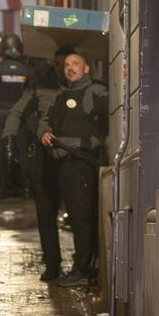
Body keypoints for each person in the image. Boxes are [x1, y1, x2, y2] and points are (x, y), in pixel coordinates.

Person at [38, 52, 108, 287]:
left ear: (86, 68)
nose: (71, 68)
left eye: (76, 63)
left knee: (83, 217)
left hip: (83, 163)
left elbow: (103, 122)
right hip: (64, 164)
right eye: (67, 65)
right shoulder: (60, 96)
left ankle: (83, 268)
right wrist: (44, 133)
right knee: (76, 218)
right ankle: (82, 266)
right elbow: (45, 121)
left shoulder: (97, 92)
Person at [4, 46, 73, 281]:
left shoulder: (81, 86)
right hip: (42, 158)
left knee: (77, 213)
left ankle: (80, 266)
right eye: (60, 64)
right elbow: (17, 113)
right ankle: (53, 264)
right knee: (46, 211)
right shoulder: (39, 85)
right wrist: (10, 139)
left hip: (69, 157)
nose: (64, 68)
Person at [0, 33, 32, 196]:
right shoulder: (27, 71)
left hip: (1, 114)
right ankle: (24, 186)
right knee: (22, 150)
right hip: (21, 116)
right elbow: (32, 95)